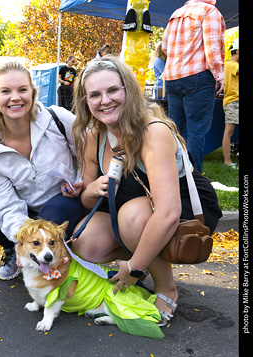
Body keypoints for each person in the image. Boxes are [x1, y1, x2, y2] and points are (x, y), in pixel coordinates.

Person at [71, 56, 222, 326]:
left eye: (113, 90)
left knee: (132, 217)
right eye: (94, 95)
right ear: (85, 101)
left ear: (128, 90)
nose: (105, 100)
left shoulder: (153, 132)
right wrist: (92, 189)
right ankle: (144, 258)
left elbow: (168, 212)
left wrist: (134, 267)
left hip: (184, 208)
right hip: (135, 210)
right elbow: (86, 198)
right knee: (86, 240)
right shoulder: (94, 135)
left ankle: (165, 287)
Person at [0, 61, 88, 280]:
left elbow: (88, 155)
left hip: (63, 201)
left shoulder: (58, 119)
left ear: (33, 93)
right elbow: (4, 199)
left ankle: (62, 259)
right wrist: (22, 240)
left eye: (22, 90)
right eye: (6, 91)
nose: (15, 97)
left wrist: (80, 180)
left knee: (50, 218)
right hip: (24, 207)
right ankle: (16, 251)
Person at [162, 0, 225, 173]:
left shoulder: (176, 13)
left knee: (176, 129)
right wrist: (220, 74)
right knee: (196, 130)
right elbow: (212, 48)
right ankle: (194, 178)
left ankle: (174, 174)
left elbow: (165, 47)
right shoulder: (209, 11)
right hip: (198, 75)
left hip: (173, 77)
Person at [222, 38, 239, 168]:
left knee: (229, 132)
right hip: (234, 101)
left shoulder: (227, 65)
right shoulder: (233, 65)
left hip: (232, 101)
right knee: (229, 132)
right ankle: (227, 161)